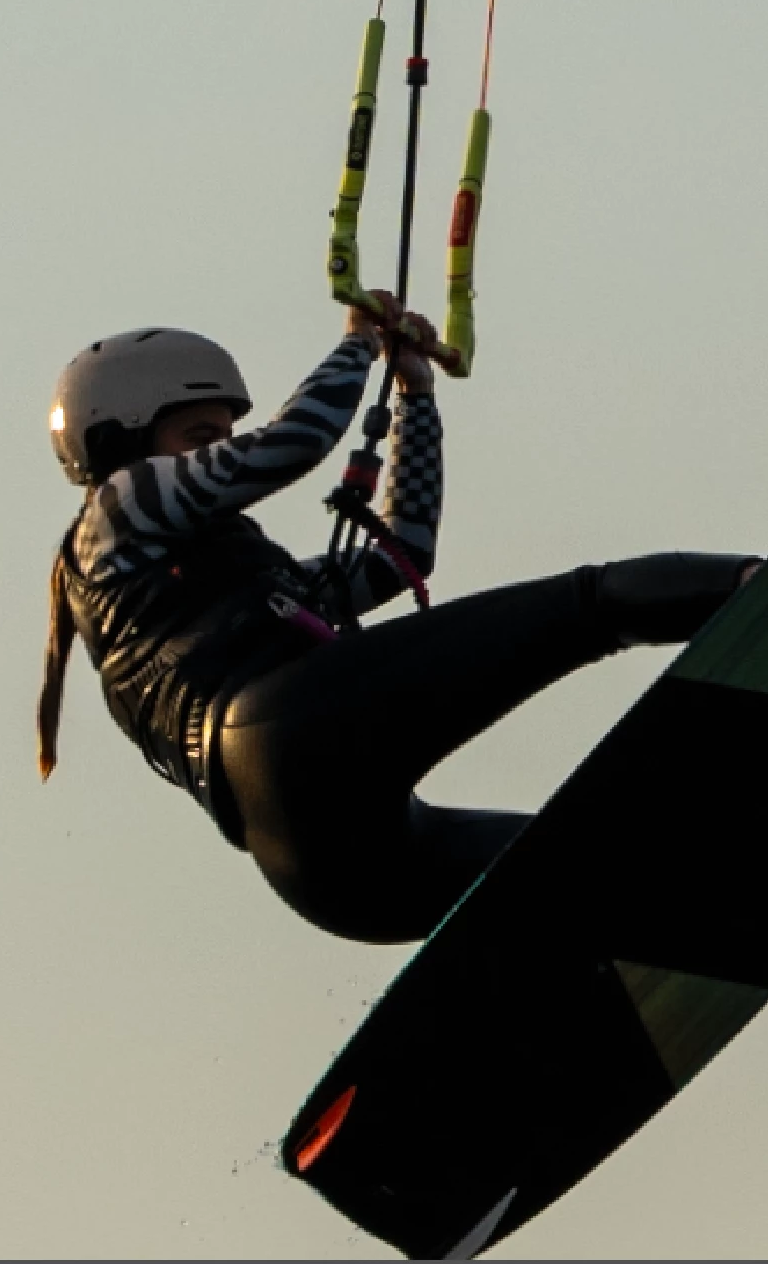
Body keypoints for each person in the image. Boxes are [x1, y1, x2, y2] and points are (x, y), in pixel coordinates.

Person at [38, 298, 756, 944]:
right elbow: (294, 442)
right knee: (589, 604)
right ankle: (749, 587)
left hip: (320, 868)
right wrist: (358, 342)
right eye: (200, 435)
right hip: (286, 730)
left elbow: (400, 556)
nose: (221, 450)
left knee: (572, 870)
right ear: (121, 440)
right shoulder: (117, 509)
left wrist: (415, 396)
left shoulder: (247, 579)